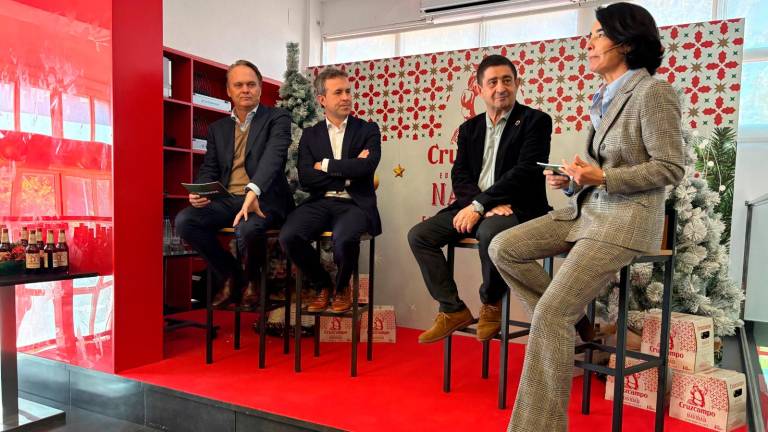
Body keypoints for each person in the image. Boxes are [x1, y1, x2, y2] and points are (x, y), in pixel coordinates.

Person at [488, 3, 685, 431]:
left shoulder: (653, 93)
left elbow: (670, 168)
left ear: (626, 43)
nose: (589, 43)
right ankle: (574, 320)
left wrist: (604, 177)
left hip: (626, 221)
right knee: (504, 246)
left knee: (549, 315)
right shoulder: (606, 96)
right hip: (588, 211)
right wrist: (574, 180)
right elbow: (602, 171)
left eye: (598, 34)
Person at [408, 54, 552, 344]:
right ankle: (452, 309)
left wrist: (480, 205)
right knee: (420, 235)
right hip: (479, 204)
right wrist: (479, 204)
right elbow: (459, 174)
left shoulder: (536, 121)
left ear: (517, 83)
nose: (501, 88)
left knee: (489, 233)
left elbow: (524, 172)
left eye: (507, 80)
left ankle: (491, 303)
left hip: (519, 206)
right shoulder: (469, 129)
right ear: (479, 89)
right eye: (493, 82)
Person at [175, 60, 293, 310]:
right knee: (186, 221)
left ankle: (253, 282)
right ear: (228, 90)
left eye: (251, 84)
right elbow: (210, 168)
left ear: (260, 88)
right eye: (238, 85)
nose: (245, 90)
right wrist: (201, 191)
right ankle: (232, 275)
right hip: (229, 199)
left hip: (265, 199)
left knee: (248, 228)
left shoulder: (277, 118)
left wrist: (253, 190)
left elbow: (273, 158)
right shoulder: (217, 129)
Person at [279, 67, 381, 313]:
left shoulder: (367, 130)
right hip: (319, 202)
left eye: (348, 91)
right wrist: (347, 176)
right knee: (289, 236)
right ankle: (322, 285)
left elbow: (367, 167)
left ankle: (343, 287)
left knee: (344, 239)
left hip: (354, 204)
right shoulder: (310, 135)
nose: (346, 97)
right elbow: (307, 178)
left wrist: (325, 165)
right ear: (322, 99)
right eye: (338, 92)